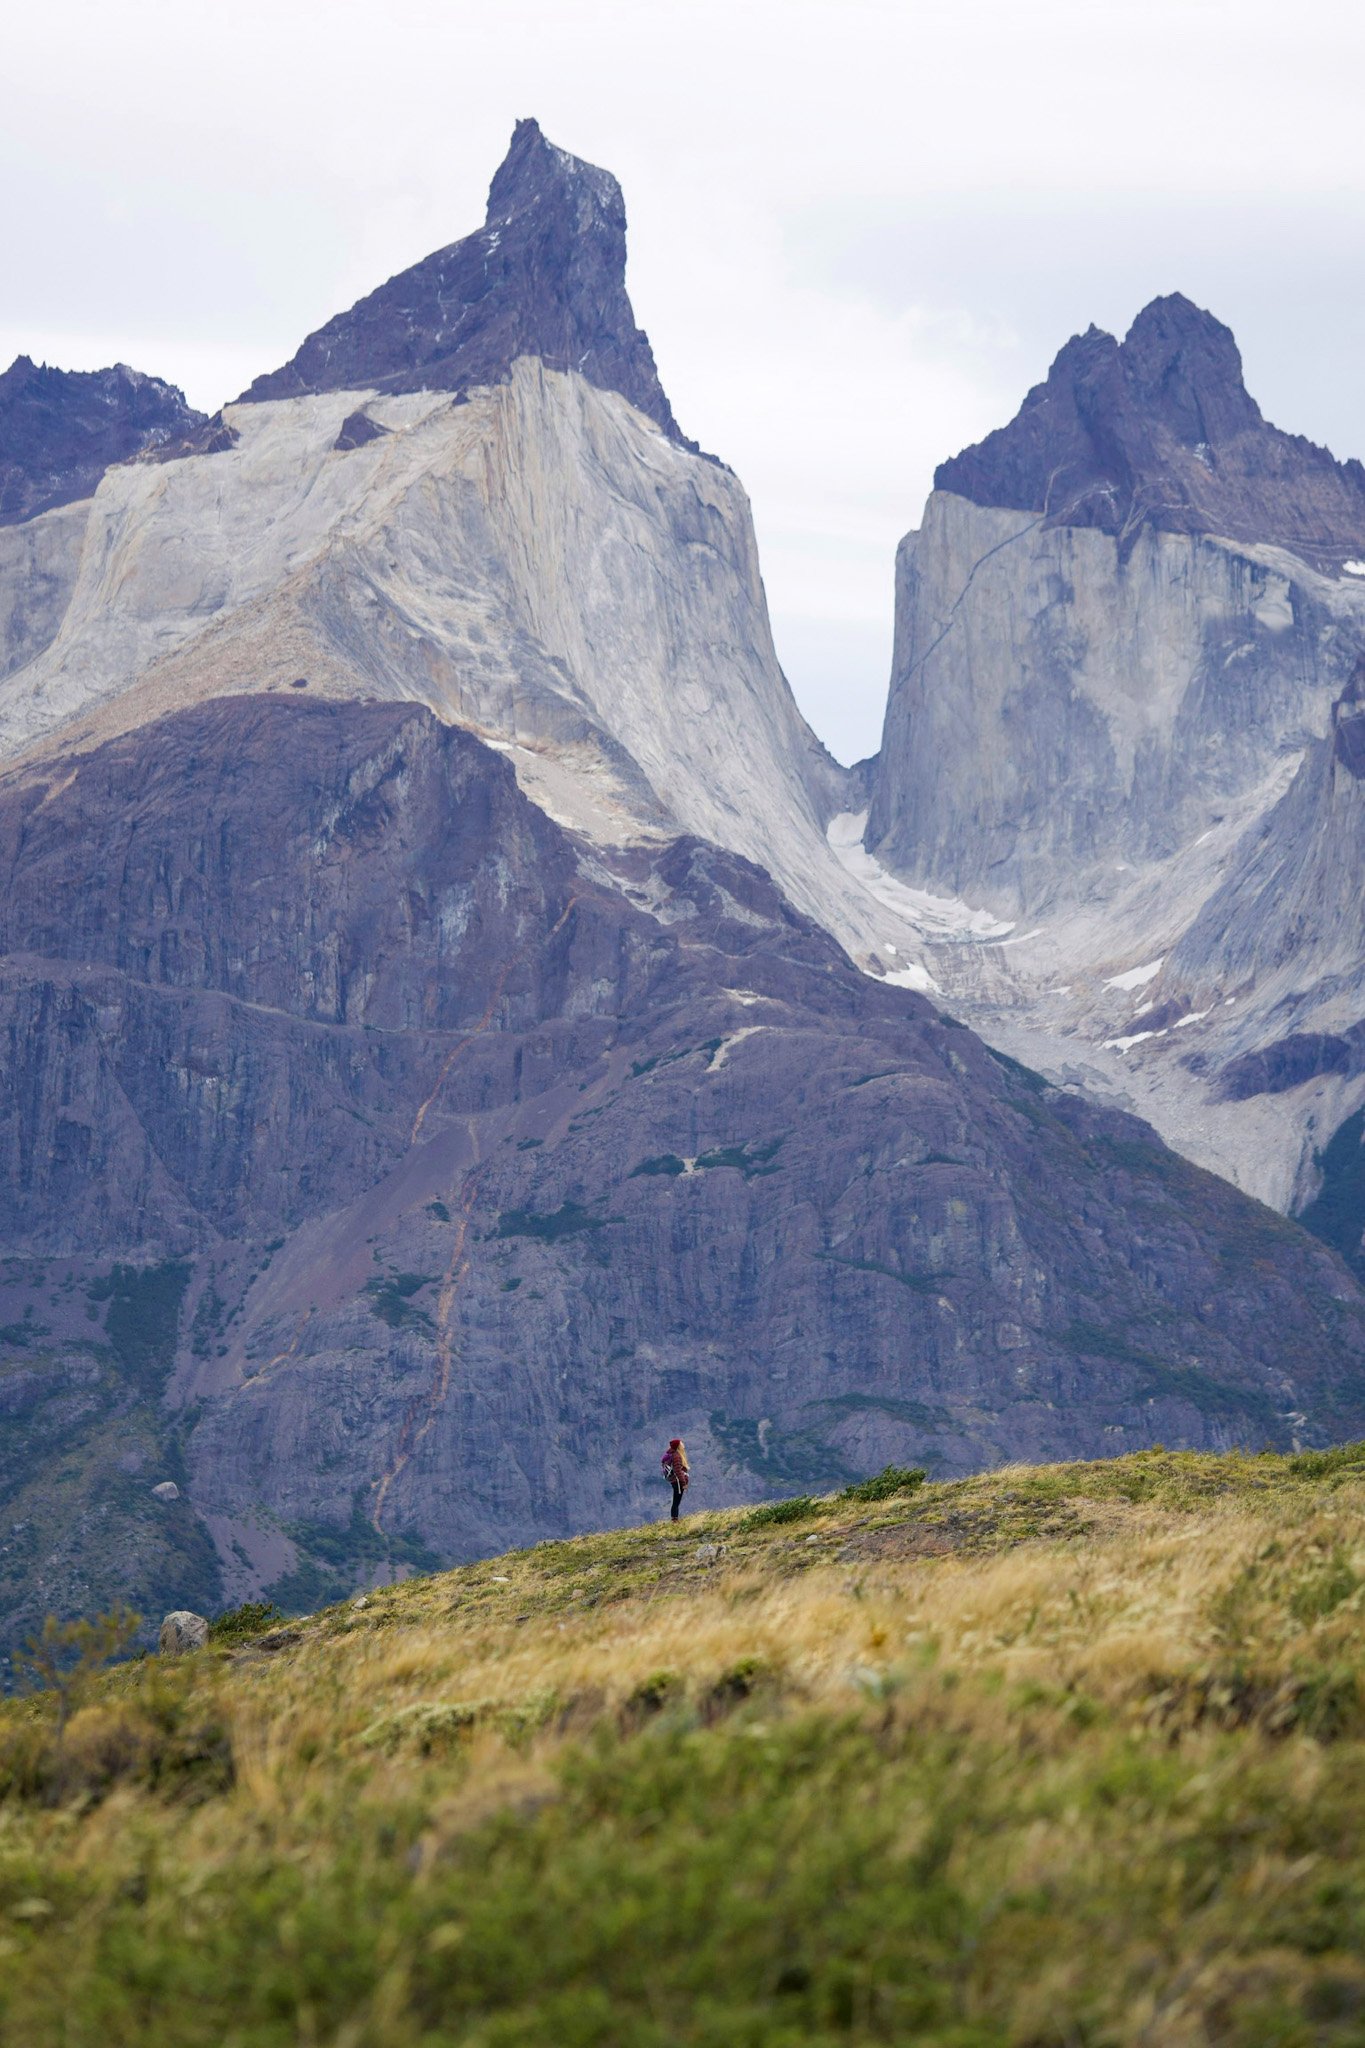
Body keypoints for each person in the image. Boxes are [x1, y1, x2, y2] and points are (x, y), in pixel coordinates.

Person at [662, 1437, 690, 1521]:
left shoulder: (674, 1454)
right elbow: (678, 1471)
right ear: (678, 1446)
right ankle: (674, 1520)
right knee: (676, 1502)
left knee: (676, 1501)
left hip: (675, 1481)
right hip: (678, 1482)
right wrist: (684, 1483)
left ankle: (675, 1519)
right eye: (681, 1443)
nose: (683, 1445)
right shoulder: (676, 1456)